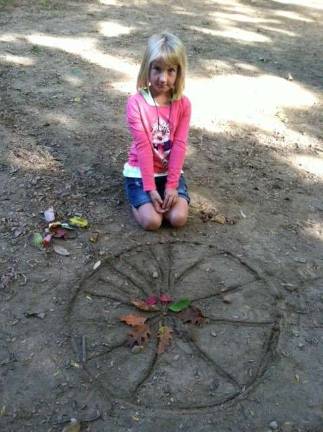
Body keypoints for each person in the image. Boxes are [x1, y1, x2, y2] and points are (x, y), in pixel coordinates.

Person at [123, 31, 191, 231]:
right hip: (140, 173)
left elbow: (179, 144)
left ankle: (161, 196)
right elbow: (143, 146)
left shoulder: (184, 104)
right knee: (153, 222)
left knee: (178, 219)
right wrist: (150, 189)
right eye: (157, 69)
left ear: (179, 72)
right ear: (147, 69)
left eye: (171, 71)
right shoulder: (135, 103)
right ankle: (135, 198)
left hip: (169, 173)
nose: (163, 78)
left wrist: (171, 185)